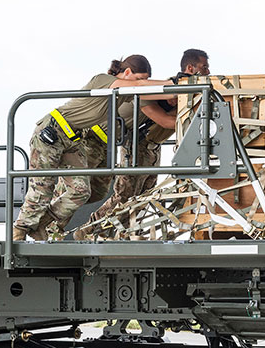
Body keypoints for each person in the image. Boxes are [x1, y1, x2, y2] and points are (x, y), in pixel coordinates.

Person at [13, 55, 176, 240]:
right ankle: (20, 232)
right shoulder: (103, 80)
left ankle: (43, 224)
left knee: (83, 191)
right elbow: (141, 87)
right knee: (42, 188)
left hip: (73, 138)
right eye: (140, 78)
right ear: (127, 72)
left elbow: (151, 93)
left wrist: (177, 89)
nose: (141, 83)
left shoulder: (125, 93)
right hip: (53, 131)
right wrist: (172, 83)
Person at [73, 49, 210, 240]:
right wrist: (201, 119)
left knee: (144, 198)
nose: (208, 71)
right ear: (190, 68)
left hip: (152, 148)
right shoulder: (148, 93)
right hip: (136, 147)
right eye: (204, 67)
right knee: (124, 197)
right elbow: (166, 121)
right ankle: (88, 230)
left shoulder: (187, 92)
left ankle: (122, 235)